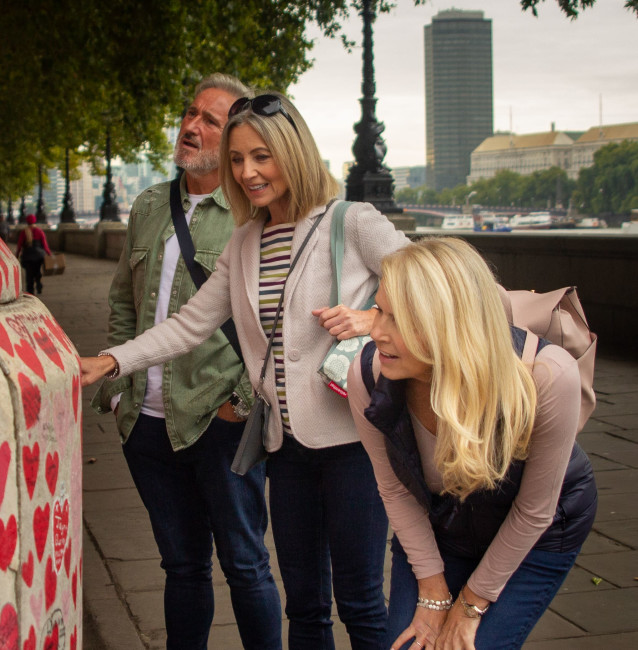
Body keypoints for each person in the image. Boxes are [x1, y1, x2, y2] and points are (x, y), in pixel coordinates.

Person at [80, 90, 409, 650]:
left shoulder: (351, 222)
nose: (248, 172)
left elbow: (440, 285)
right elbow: (189, 324)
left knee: (360, 606)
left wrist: (374, 318)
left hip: (352, 443)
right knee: (305, 609)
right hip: (287, 450)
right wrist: (112, 362)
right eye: (237, 160)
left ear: (294, 152)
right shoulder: (245, 241)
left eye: (262, 156)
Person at [91, 73, 282, 650]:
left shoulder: (255, 215)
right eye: (190, 114)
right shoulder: (150, 205)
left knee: (246, 564)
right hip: (145, 425)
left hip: (216, 421)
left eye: (211, 121)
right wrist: (119, 386)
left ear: (234, 140)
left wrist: (242, 404)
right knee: (181, 567)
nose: (191, 127)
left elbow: (280, 324)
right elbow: (124, 298)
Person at [348, 238, 597, 650]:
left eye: (398, 319)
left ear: (450, 323)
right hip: (443, 524)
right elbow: (394, 489)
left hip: (541, 529)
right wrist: (432, 589)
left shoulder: (547, 375)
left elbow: (536, 510)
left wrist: (469, 604)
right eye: (378, 311)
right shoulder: (370, 375)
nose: (376, 332)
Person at [15, 214, 51, 294]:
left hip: (28, 256)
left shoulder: (24, 232)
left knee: (29, 274)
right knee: (37, 270)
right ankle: (39, 283)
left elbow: (19, 245)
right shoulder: (39, 231)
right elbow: (45, 245)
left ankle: (30, 290)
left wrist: (17, 255)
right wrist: (49, 254)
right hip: (39, 256)